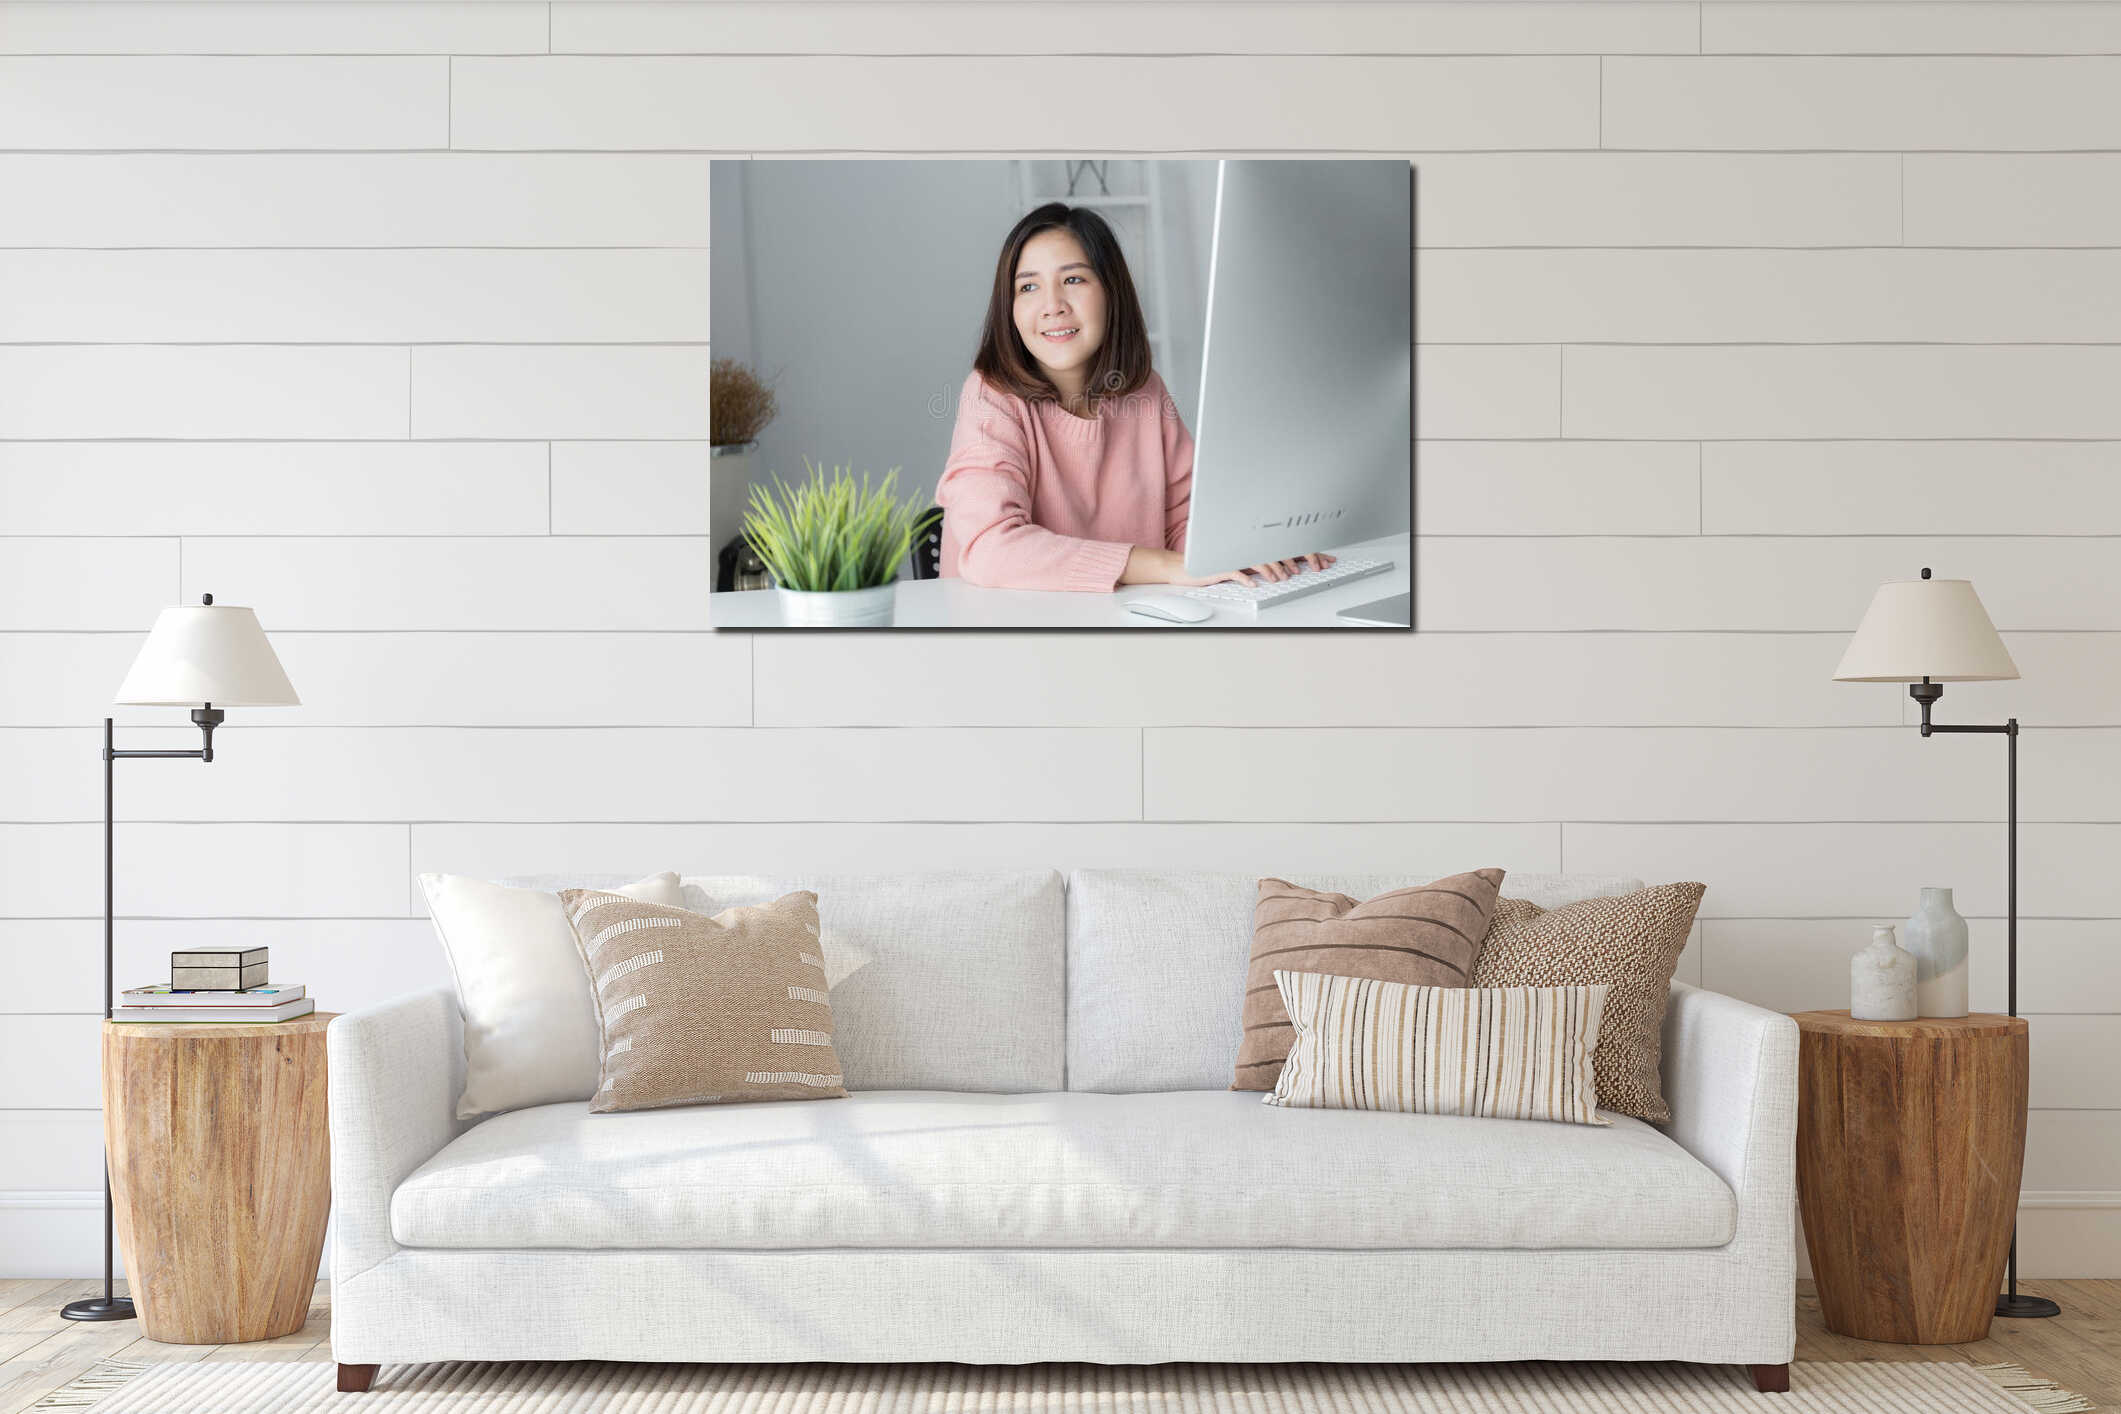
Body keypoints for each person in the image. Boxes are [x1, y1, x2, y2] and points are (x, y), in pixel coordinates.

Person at [935, 202, 1330, 592]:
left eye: (1073, 280)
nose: (1052, 306)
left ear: (1111, 292)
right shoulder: (991, 395)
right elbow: (991, 547)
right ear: (1010, 308)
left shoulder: (1144, 391)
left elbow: (1186, 520)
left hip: (1130, 623)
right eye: (1028, 287)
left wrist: (1247, 549)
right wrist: (1161, 564)